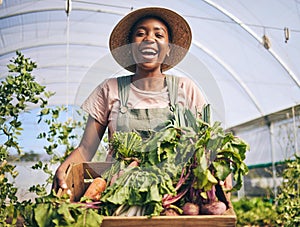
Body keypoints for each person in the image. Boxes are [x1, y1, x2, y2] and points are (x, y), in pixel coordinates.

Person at [52, 7, 232, 198]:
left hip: (173, 194)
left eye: (158, 34)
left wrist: (218, 165)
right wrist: (65, 168)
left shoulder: (185, 89)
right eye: (140, 34)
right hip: (116, 193)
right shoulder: (109, 89)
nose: (149, 38)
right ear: (130, 47)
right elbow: (86, 148)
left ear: (169, 48)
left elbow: (204, 144)